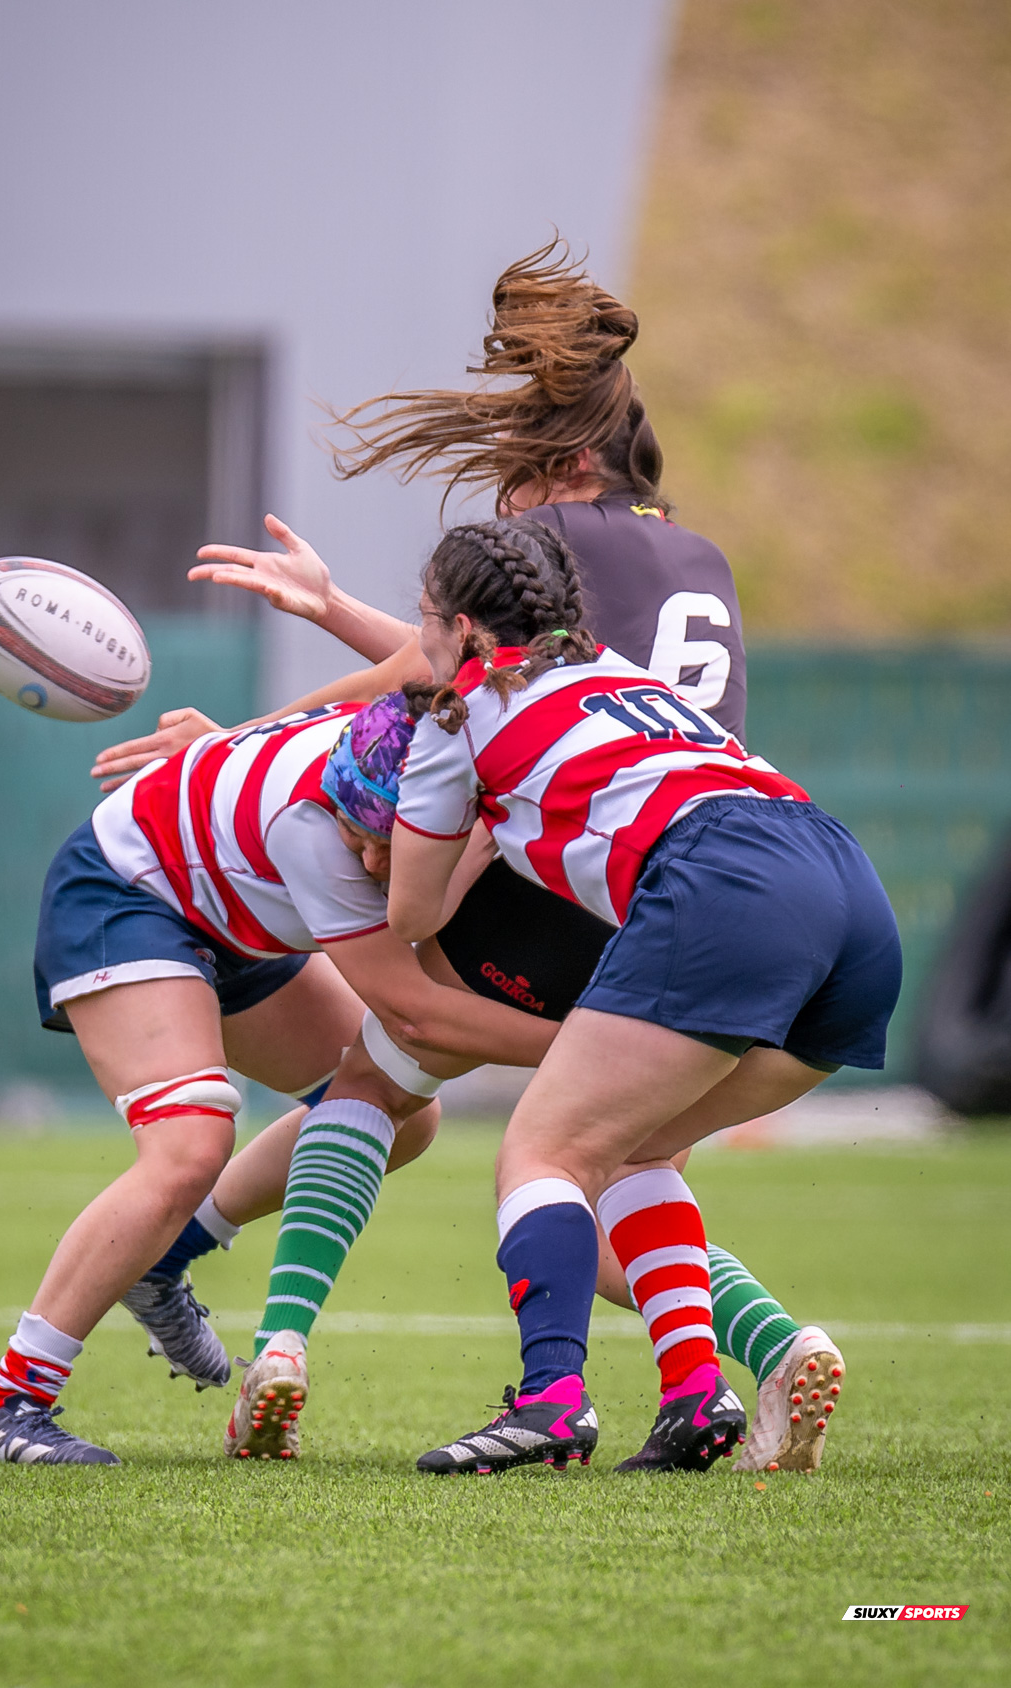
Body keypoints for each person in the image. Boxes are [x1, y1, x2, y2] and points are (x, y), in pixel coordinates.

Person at [93, 240, 852, 1472]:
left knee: (397, 1081)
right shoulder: (689, 555)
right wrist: (331, 605)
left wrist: (233, 746)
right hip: (684, 878)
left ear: (565, 468)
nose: (502, 515)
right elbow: (476, 666)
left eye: (512, 484)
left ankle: (267, 1332)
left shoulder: (567, 552)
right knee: (593, 1141)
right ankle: (753, 1354)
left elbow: (427, 680)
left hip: (552, 880)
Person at [382, 518, 901, 1474]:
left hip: (724, 882)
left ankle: (549, 1406)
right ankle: (697, 1398)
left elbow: (411, 913)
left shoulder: (458, 713)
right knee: (640, 1148)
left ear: (462, 631)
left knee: (542, 1151)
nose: (418, 645)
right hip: (845, 885)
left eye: (422, 623)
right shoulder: (622, 671)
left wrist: (440, 826)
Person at [0, 700, 556, 1467]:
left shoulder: (427, 739)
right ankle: (7, 1406)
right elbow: (413, 1016)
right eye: (358, 836)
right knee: (190, 1144)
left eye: (390, 846)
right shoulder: (308, 827)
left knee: (400, 1115)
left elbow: (412, 659)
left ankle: (165, 1258)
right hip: (129, 891)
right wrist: (593, 1044)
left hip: (232, 912)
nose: (372, 863)